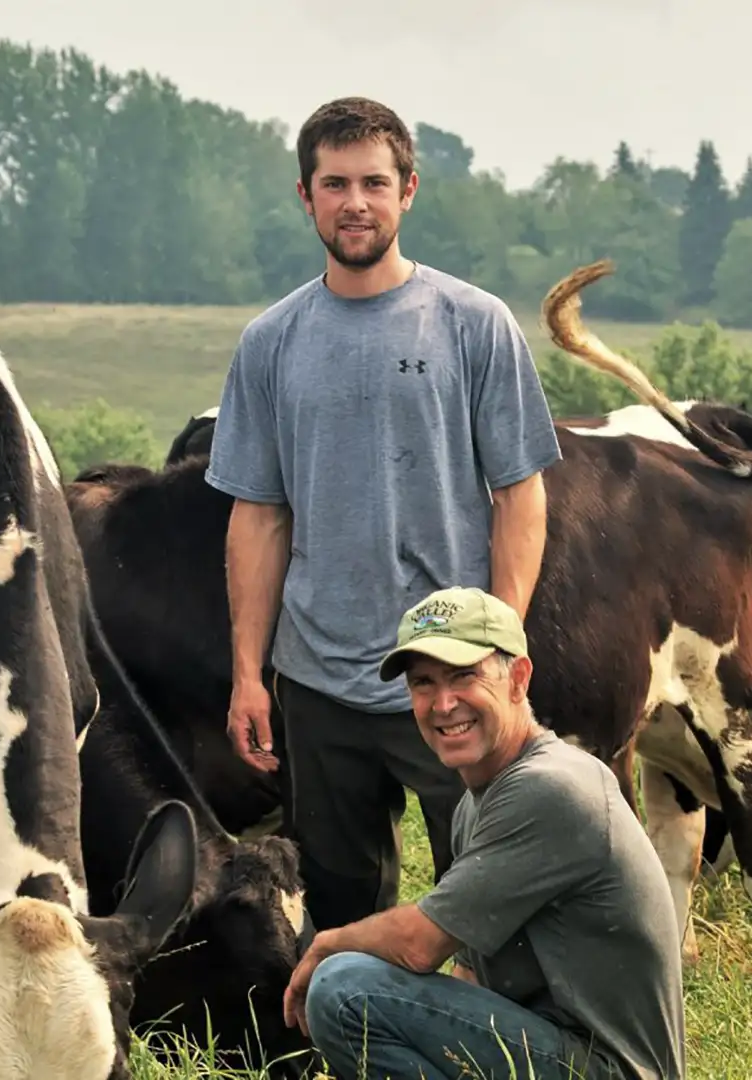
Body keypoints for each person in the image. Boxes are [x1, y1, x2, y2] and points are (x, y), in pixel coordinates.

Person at [205, 96, 562, 931]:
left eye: (373, 182)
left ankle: (487, 1052)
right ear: (306, 197)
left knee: (488, 895)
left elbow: (521, 495)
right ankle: (359, 1048)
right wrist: (250, 673)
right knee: (338, 905)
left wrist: (499, 646)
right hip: (320, 675)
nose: (354, 202)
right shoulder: (270, 341)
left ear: (408, 191)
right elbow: (257, 519)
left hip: (452, 668)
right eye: (335, 184)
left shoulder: (474, 324)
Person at [283, 586, 687, 1080]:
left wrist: (326, 944)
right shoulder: (477, 804)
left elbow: (419, 946)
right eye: (423, 683)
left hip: (606, 1067)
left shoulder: (549, 788)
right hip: (555, 1047)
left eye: (463, 676)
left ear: (518, 678)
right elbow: (470, 977)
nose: (443, 703)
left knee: (344, 988)